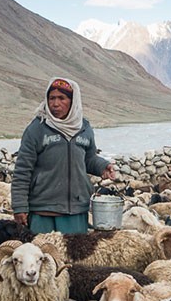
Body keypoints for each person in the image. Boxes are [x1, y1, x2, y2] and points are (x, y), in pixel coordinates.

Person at [12, 77, 118, 234]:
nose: (55, 104)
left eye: (62, 98)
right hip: (43, 211)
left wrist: (103, 166)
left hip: (75, 211)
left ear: (73, 100)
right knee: (43, 256)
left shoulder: (84, 128)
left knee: (74, 257)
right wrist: (19, 207)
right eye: (51, 98)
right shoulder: (36, 129)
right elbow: (22, 170)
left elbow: (88, 159)